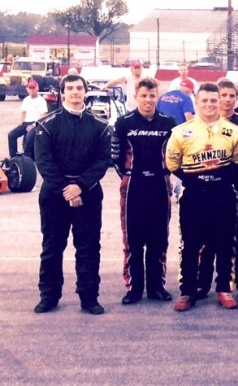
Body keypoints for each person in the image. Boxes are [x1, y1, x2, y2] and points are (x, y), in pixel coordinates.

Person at [32, 74, 112, 314]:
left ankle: (89, 298)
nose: (75, 92)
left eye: (80, 88)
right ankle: (49, 295)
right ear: (62, 93)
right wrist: (66, 190)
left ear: (85, 92)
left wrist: (81, 186)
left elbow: (103, 161)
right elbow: (43, 161)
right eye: (70, 88)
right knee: (52, 247)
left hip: (88, 193)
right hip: (54, 194)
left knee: (88, 247)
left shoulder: (100, 125)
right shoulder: (46, 123)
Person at [165, 82, 238, 312]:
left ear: (220, 102)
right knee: (190, 245)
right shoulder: (181, 132)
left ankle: (223, 289)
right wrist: (194, 180)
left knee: (224, 242)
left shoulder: (234, 131)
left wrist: (218, 178)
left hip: (223, 195)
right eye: (205, 101)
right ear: (197, 102)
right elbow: (172, 163)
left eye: (214, 100)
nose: (209, 105)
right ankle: (187, 292)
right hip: (194, 196)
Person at [112, 77, 176, 305]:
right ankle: (134, 288)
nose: (148, 100)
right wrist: (129, 177)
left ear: (157, 96)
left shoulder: (169, 123)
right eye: (144, 96)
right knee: (133, 240)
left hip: (160, 185)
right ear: (136, 97)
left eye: (152, 96)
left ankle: (157, 287)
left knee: (159, 239)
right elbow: (116, 157)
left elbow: (174, 156)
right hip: (132, 187)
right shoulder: (123, 123)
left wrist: (166, 175)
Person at [196, 79, 238, 299]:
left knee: (231, 236)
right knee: (207, 237)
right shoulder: (203, 123)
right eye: (224, 95)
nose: (227, 100)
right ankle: (202, 283)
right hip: (205, 189)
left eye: (231, 96)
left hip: (233, 188)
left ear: (236, 99)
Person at [8, 78, 47, 158]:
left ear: (37, 88)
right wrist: (21, 121)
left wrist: (34, 125)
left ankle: (27, 157)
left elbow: (44, 116)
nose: (32, 90)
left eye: (33, 88)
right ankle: (13, 156)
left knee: (29, 137)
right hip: (26, 122)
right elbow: (23, 112)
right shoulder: (26, 100)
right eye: (30, 88)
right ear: (27, 89)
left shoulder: (41, 100)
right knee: (11, 135)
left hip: (37, 124)